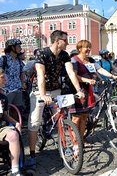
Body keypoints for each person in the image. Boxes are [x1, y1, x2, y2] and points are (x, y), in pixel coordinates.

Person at [25, 30, 85, 170]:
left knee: (61, 117)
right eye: (66, 40)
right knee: (34, 122)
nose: (68, 42)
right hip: (39, 91)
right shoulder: (42, 53)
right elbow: (40, 74)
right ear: (57, 41)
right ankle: (33, 155)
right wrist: (43, 94)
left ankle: (63, 145)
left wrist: (78, 90)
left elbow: (70, 72)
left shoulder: (64, 55)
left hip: (56, 89)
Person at [66, 40, 117, 144]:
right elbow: (74, 75)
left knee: (84, 118)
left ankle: (81, 141)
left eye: (89, 47)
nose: (88, 49)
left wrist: (113, 76)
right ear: (79, 49)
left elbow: (100, 70)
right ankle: (75, 143)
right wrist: (87, 80)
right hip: (77, 91)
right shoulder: (74, 60)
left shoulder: (90, 60)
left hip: (87, 91)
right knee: (76, 118)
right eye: (86, 47)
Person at [0, 68, 24, 176]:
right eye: (2, 77)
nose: (5, 80)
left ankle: (15, 170)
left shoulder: (3, 98)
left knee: (14, 135)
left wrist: (16, 123)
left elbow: (4, 115)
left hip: (1, 128)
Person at [0, 39, 26, 118]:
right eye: (18, 46)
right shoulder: (3, 59)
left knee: (17, 111)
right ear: (12, 47)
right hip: (6, 90)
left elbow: (22, 72)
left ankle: (16, 127)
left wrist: (23, 83)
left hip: (18, 89)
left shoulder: (18, 60)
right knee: (5, 112)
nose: (20, 48)